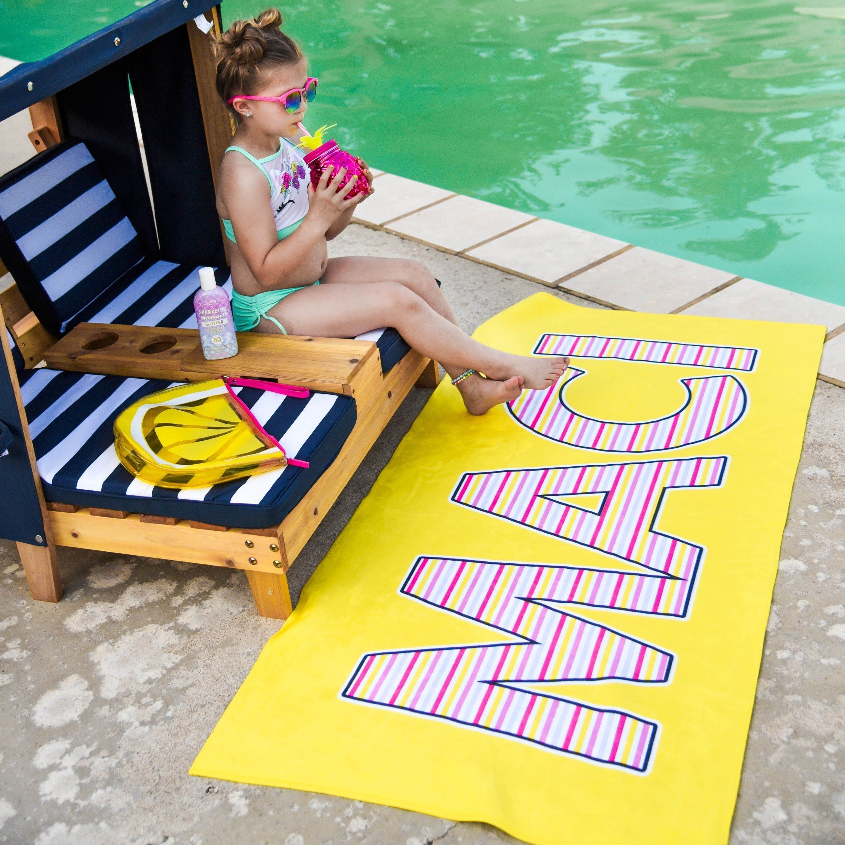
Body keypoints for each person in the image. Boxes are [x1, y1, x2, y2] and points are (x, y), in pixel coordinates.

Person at [213, 9, 569, 415]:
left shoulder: (287, 147)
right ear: (245, 106)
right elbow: (266, 272)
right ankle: (500, 363)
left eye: (307, 91)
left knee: (414, 275)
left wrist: (346, 200)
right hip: (271, 308)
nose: (303, 107)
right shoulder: (243, 174)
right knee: (396, 300)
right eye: (290, 99)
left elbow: (326, 234)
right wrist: (318, 215)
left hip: (309, 280)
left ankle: (469, 385)